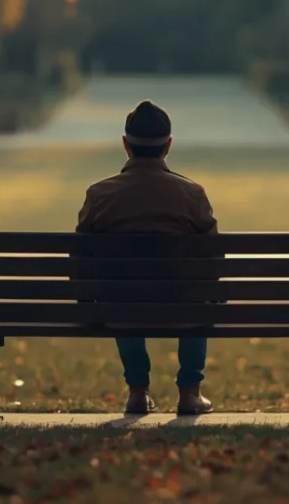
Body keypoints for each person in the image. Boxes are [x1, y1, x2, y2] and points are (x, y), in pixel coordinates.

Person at [75, 100, 218, 415]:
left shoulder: (100, 195)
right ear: (168, 146)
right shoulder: (192, 195)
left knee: (122, 291)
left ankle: (137, 391)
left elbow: (81, 259)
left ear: (126, 145)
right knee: (203, 295)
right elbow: (212, 262)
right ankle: (190, 391)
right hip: (184, 310)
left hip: (121, 309)